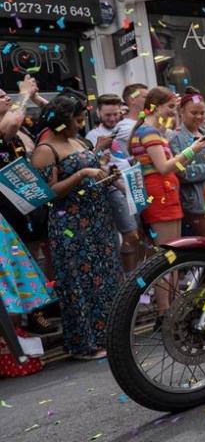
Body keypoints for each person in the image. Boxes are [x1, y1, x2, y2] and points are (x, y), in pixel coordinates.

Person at [30, 95, 123, 360]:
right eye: (77, 120)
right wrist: (82, 174)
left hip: (97, 220)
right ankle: (85, 344)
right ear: (62, 122)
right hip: (70, 225)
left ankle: (110, 335)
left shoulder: (78, 142)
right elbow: (47, 193)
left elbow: (95, 171)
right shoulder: (46, 150)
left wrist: (109, 175)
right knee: (79, 284)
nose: (81, 125)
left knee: (105, 279)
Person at [128, 87, 205, 311]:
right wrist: (192, 149)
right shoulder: (149, 133)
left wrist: (191, 155)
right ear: (155, 106)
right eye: (171, 107)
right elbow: (164, 168)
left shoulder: (155, 132)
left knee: (173, 256)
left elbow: (176, 167)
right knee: (165, 258)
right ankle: (165, 311)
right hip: (159, 196)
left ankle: (171, 309)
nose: (174, 112)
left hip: (167, 194)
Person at [0, 76, 57, 336]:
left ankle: (42, 307)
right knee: (16, 260)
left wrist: (35, 98)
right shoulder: (10, 123)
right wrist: (23, 94)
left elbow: (56, 119)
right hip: (5, 206)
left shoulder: (22, 122)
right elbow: (9, 125)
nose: (5, 96)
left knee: (36, 253)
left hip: (28, 198)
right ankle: (29, 318)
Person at [85, 93, 140, 273]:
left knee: (140, 235)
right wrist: (99, 150)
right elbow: (92, 165)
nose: (113, 118)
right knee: (130, 235)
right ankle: (129, 280)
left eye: (116, 114)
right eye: (108, 115)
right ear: (99, 113)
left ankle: (142, 278)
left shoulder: (126, 129)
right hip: (113, 189)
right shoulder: (93, 135)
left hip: (134, 183)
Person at [169, 88, 205, 238]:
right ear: (182, 112)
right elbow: (180, 172)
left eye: (202, 113)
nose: (199, 116)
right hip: (196, 204)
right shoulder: (175, 139)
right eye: (194, 113)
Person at [114, 83, 147, 156]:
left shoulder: (147, 121)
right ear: (132, 100)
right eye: (145, 97)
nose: (150, 100)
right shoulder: (124, 127)